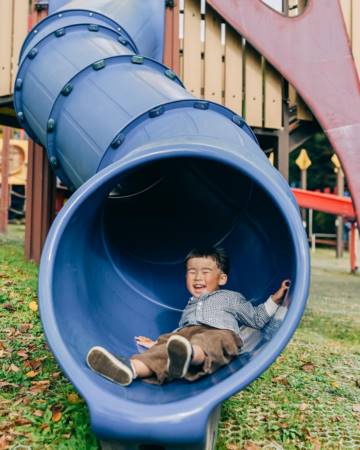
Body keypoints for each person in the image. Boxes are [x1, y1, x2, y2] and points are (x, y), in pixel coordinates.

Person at [86, 247, 290, 386]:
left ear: (222, 278)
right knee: (168, 345)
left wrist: (276, 297)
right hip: (186, 336)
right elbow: (180, 332)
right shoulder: (190, 304)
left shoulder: (231, 298)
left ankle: (189, 355)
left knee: (209, 340)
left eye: (205, 271)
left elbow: (256, 318)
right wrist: (157, 342)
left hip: (220, 332)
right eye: (192, 272)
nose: (198, 277)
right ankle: (130, 369)